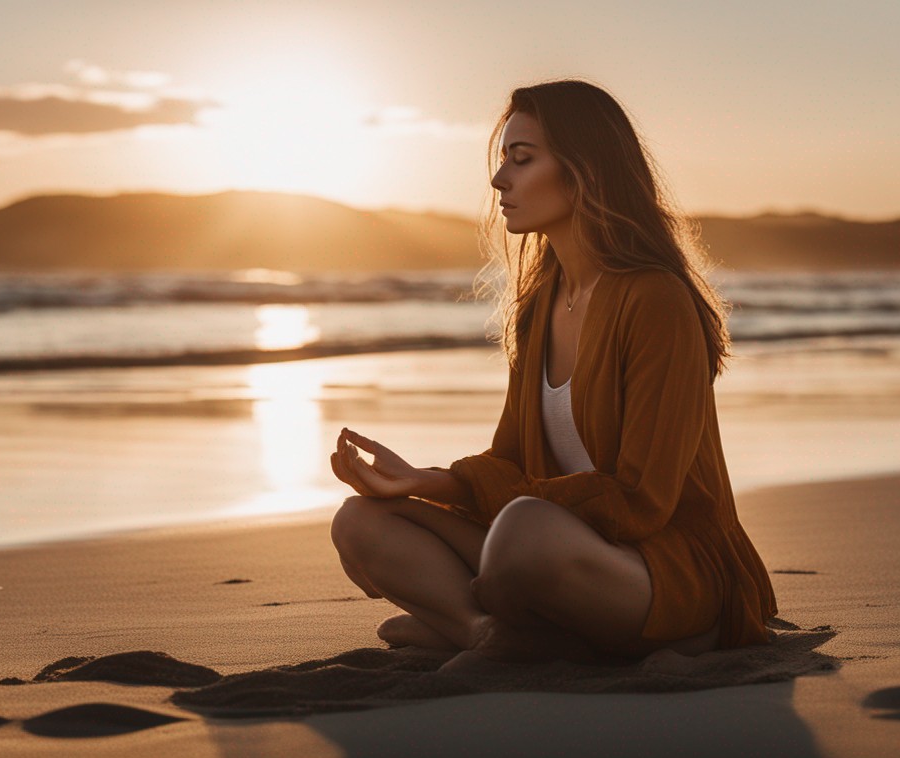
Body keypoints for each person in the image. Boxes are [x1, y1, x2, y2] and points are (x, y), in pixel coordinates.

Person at [329, 80, 778, 666]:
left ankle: (492, 623)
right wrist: (417, 482)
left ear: (584, 169)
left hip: (667, 571)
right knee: (361, 521)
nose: (499, 181)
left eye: (523, 160)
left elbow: (642, 502)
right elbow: (511, 463)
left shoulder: (655, 299)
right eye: (502, 161)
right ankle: (484, 634)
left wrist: (479, 503)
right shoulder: (541, 304)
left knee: (524, 531)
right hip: (554, 555)